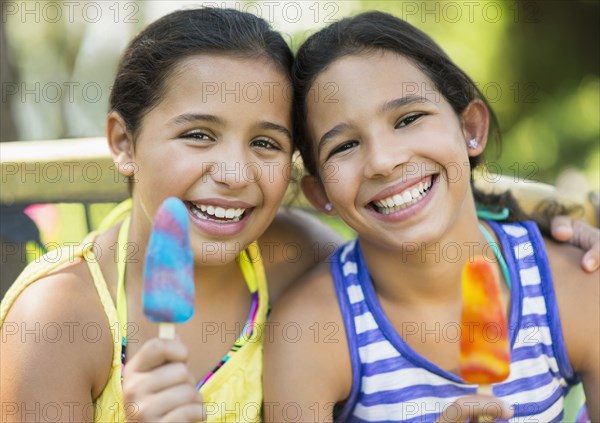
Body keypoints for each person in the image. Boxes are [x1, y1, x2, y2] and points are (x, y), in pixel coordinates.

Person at [0, 7, 596, 423]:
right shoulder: (57, 322)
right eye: (199, 134)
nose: (234, 173)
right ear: (123, 143)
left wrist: (555, 218)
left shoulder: (288, 255)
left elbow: (431, 217)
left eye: (265, 143)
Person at [264, 11, 599, 423]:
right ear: (320, 196)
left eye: (408, 119)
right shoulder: (309, 332)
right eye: (345, 146)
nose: (383, 162)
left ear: (471, 129)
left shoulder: (575, 284)